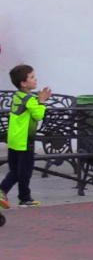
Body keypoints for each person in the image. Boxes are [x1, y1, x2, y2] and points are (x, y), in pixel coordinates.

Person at [0, 65, 51, 208]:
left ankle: (24, 198)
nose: (36, 80)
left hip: (13, 140)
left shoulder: (18, 96)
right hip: (24, 141)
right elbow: (38, 115)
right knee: (24, 171)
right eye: (32, 77)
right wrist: (41, 101)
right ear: (23, 83)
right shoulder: (30, 99)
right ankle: (6, 192)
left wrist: (37, 99)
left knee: (16, 170)